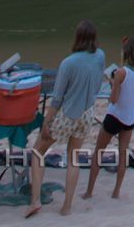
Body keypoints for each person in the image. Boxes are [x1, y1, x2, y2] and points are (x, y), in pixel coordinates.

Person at [26, 20, 108, 219]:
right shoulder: (100, 55)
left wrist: (46, 121)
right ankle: (67, 207)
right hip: (87, 113)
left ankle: (35, 201)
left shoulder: (68, 63)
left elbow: (57, 98)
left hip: (67, 114)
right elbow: (98, 81)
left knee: (38, 152)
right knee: (73, 158)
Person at [83, 37, 134, 202]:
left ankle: (89, 191)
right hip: (130, 119)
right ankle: (116, 191)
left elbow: (113, 99)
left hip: (115, 117)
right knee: (122, 154)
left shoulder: (122, 72)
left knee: (98, 152)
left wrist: (114, 83)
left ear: (126, 53)